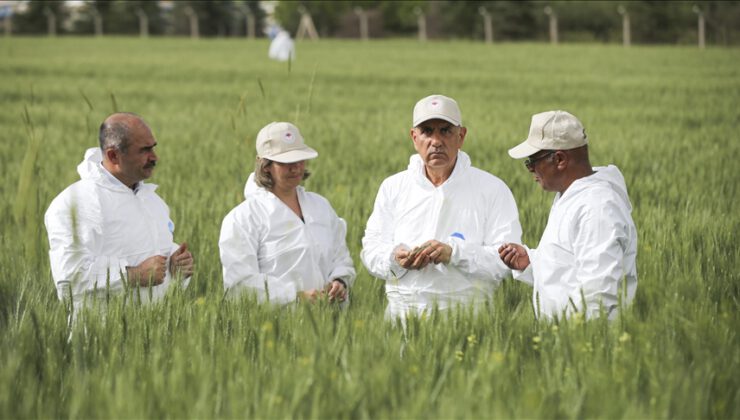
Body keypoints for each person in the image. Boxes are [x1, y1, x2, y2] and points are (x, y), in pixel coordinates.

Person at [361, 94, 523, 320]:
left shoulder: (492, 189)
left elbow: (505, 260)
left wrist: (454, 254)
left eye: (445, 130)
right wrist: (394, 257)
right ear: (414, 137)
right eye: (427, 131)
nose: (436, 141)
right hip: (401, 321)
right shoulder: (393, 187)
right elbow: (371, 249)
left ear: (461, 136)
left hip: (469, 321)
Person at [45, 113, 194, 313]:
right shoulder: (75, 204)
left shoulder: (154, 202)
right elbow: (69, 280)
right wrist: (134, 275)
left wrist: (175, 267)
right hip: (99, 339)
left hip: (156, 335)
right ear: (114, 155)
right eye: (144, 150)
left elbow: (151, 262)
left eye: (153, 147)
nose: (154, 157)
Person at [498, 110, 637, 320]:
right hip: (563, 342)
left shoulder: (596, 209)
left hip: (582, 344)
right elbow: (568, 268)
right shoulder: (571, 196)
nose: (531, 169)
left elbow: (599, 298)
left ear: (560, 159)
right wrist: (531, 263)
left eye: (532, 161)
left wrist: (579, 348)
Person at [219, 122, 355, 304]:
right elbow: (239, 284)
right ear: (265, 165)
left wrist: (340, 281)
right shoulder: (242, 219)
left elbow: (340, 256)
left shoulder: (321, 206)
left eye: (300, 160)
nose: (296, 168)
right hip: (273, 327)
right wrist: (296, 297)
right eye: (286, 162)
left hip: (328, 324)